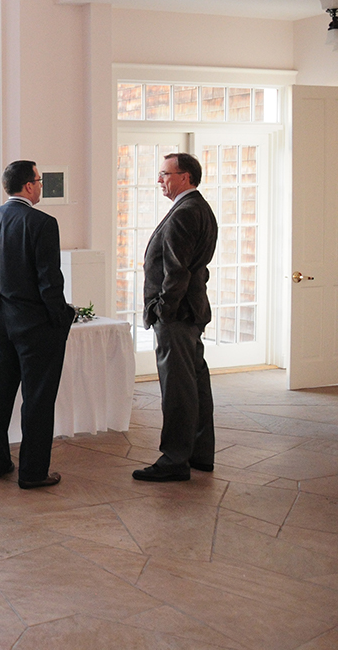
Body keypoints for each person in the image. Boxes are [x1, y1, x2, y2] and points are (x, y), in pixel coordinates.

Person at [0, 161, 76, 489]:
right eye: (39, 181)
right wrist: (61, 317)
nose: (41, 186)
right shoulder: (42, 223)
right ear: (29, 186)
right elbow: (49, 280)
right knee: (38, 399)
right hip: (35, 325)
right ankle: (33, 472)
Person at [133, 152, 218, 482]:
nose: (159, 180)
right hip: (190, 311)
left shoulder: (185, 212)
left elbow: (177, 271)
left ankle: (174, 460)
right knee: (195, 383)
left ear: (185, 177)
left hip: (178, 315)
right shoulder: (199, 207)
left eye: (165, 174)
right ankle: (200, 453)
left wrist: (163, 311)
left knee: (178, 389)